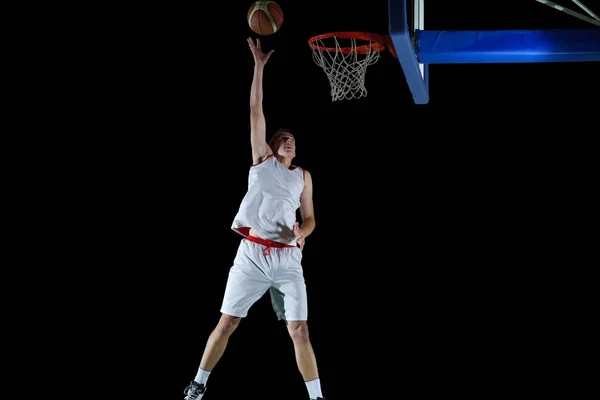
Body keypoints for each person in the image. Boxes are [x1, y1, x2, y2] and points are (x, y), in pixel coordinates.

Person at [183, 37, 326, 400]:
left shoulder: (303, 177)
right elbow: (255, 109)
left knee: (300, 330)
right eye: (285, 139)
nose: (291, 142)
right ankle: (198, 383)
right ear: (273, 144)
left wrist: (301, 231)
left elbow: (310, 219)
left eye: (294, 140)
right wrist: (259, 68)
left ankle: (317, 396)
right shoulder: (262, 162)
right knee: (227, 322)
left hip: (288, 258)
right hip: (251, 256)